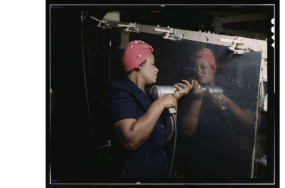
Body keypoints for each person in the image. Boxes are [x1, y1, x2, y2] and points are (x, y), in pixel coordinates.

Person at [104, 40, 194, 178]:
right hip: (136, 171)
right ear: (139, 65)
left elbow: (168, 136)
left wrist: (174, 98)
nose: (157, 69)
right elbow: (130, 141)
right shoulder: (120, 92)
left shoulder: (148, 94)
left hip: (159, 167)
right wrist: (159, 104)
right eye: (152, 64)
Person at [178, 48, 255, 178]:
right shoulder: (188, 94)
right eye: (195, 68)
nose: (198, 72)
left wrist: (229, 103)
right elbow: (187, 130)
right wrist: (197, 99)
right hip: (199, 161)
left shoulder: (230, 89)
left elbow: (251, 122)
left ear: (213, 69)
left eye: (203, 67)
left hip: (228, 159)